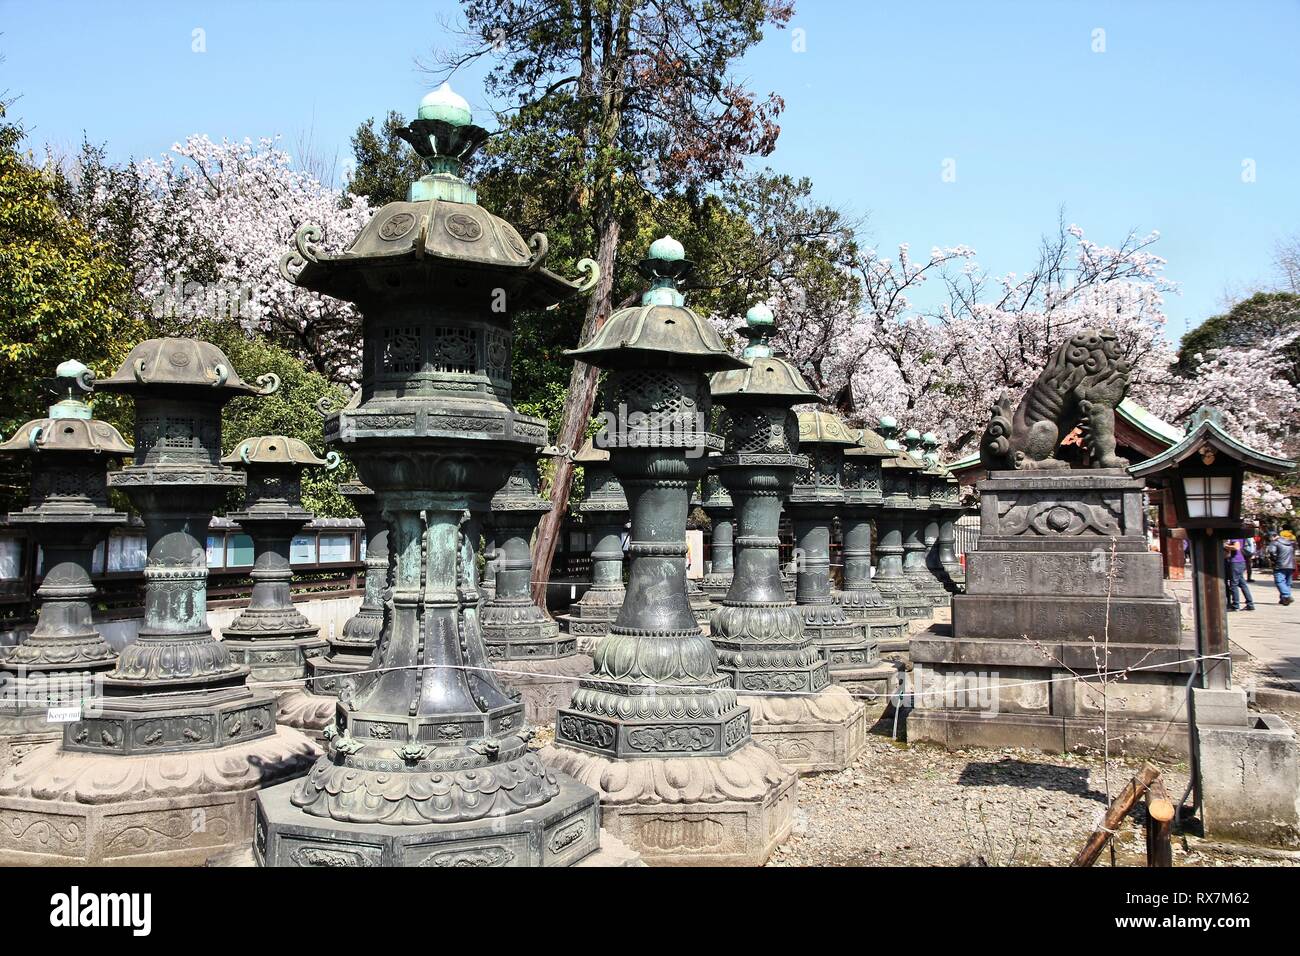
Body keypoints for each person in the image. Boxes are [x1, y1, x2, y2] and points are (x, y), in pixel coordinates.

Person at [1225, 538, 1255, 611]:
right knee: (1242, 584)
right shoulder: (1241, 536)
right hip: (1241, 561)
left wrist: (1225, 546)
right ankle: (1250, 603)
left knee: (1233, 584)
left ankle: (1235, 605)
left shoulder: (1234, 536)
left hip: (1235, 562)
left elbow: (1236, 547)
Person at [1268, 531, 1296, 606]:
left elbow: (1271, 552)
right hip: (1291, 565)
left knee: (1279, 581)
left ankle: (1286, 596)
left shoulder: (1275, 542)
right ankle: (1284, 599)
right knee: (1287, 583)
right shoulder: (1288, 542)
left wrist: (1274, 560)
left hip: (1280, 565)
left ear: (1272, 536)